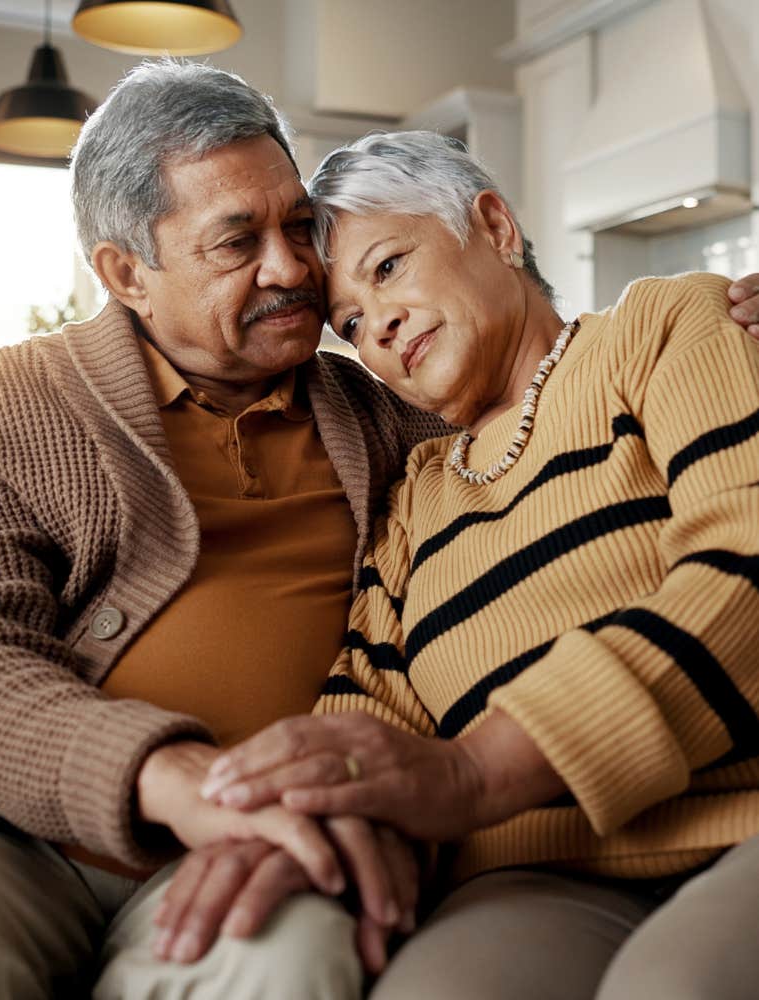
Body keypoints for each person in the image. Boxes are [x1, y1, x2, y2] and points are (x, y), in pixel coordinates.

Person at [0, 64, 449, 1000]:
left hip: (267, 843)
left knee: (292, 962)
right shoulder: (2, 401)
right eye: (236, 241)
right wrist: (166, 776)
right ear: (127, 272)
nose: (290, 269)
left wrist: (702, 332)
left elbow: (551, 402)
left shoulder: (390, 407)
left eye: (297, 228)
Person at [199, 130, 759, 1000]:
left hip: (743, 820)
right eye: (348, 324)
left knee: (675, 987)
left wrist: (476, 771)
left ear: (494, 227)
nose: (374, 326)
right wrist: (303, 828)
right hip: (530, 872)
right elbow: (369, 710)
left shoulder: (662, 327)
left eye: (387, 268)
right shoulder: (416, 496)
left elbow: (746, 566)